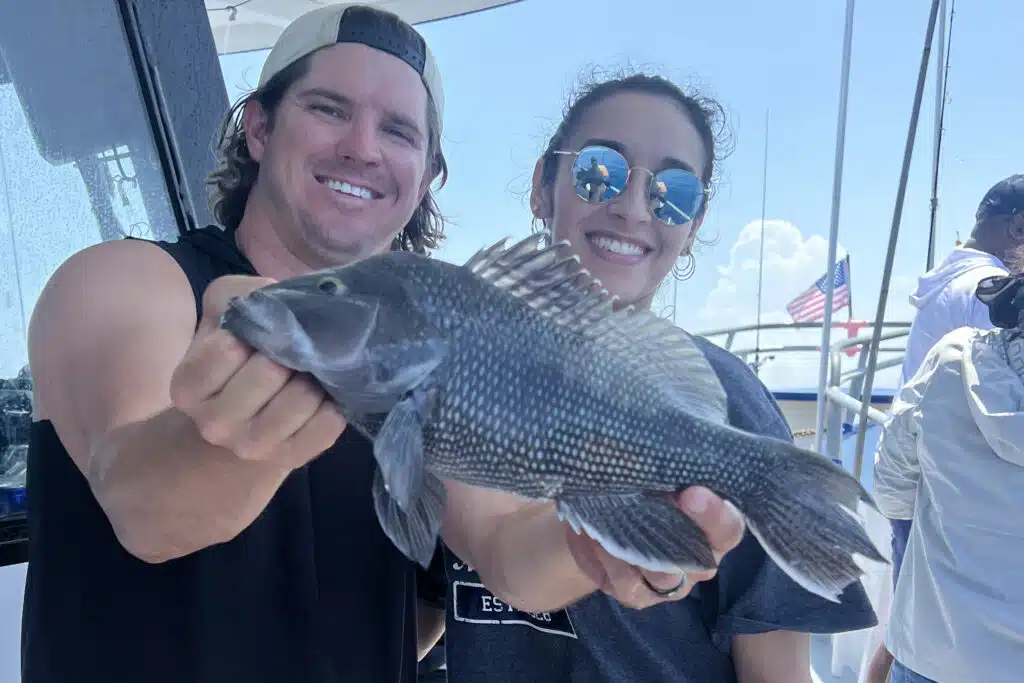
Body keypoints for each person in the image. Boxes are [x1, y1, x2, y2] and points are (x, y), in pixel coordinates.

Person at [22, 5, 748, 683]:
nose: (362, 148)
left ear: (426, 174)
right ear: (260, 129)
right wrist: (245, 419)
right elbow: (142, 505)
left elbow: (508, 557)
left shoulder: (427, 346)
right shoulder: (130, 281)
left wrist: (597, 542)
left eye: (399, 131)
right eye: (328, 109)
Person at [435, 70, 878, 683]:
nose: (631, 206)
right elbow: (462, 578)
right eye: (600, 171)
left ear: (693, 227)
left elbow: (777, 671)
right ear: (544, 184)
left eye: (673, 192)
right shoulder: (458, 360)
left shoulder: (733, 406)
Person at [865, 173, 1022, 683]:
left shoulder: (945, 296)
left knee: (912, 621)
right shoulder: (982, 288)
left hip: (935, 482)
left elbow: (892, 486)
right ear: (1016, 229)